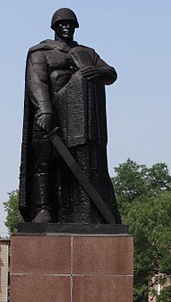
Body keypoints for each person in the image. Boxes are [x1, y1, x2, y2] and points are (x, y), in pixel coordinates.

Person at [19, 8, 122, 224]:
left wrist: (98, 72)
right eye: (62, 24)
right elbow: (38, 82)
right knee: (44, 162)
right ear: (55, 27)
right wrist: (45, 110)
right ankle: (43, 209)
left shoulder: (87, 53)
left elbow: (111, 73)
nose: (66, 27)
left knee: (78, 167)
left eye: (70, 24)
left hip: (79, 118)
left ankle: (79, 212)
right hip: (50, 113)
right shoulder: (41, 52)